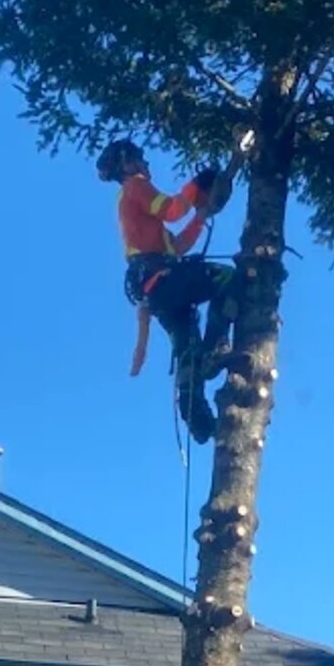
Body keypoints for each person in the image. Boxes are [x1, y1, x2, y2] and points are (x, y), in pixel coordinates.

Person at [97, 138, 237, 441]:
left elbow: (177, 246)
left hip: (157, 290)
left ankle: (198, 419)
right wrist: (198, 184)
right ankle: (216, 349)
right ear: (127, 162)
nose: (146, 165)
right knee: (228, 279)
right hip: (162, 278)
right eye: (140, 159)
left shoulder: (135, 212)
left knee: (187, 345)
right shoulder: (135, 185)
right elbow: (172, 210)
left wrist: (201, 216)